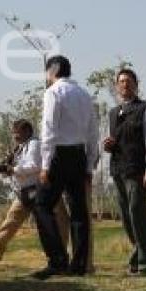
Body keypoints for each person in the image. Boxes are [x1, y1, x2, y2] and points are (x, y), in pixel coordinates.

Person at [32, 55, 99, 279]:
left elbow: (49, 130)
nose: (46, 76)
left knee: (41, 205)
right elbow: (93, 132)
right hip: (79, 154)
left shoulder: (53, 92)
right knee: (79, 211)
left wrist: (45, 164)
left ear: (54, 70)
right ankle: (78, 265)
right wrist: (89, 163)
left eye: (46, 71)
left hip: (58, 155)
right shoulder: (84, 94)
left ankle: (57, 259)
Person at [0, 119, 69, 261]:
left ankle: (61, 255)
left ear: (27, 131)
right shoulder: (20, 147)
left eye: (17, 133)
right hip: (25, 191)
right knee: (12, 218)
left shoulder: (34, 144)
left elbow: (33, 166)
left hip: (40, 189)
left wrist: (13, 170)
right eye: (13, 133)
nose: (15, 136)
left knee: (57, 222)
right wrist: (7, 168)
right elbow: (18, 167)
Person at [103, 68, 146, 275]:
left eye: (128, 81)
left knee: (138, 212)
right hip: (118, 169)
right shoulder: (113, 113)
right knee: (126, 215)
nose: (124, 84)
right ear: (117, 86)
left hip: (138, 169)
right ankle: (138, 254)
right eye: (121, 81)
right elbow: (116, 141)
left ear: (136, 84)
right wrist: (108, 145)